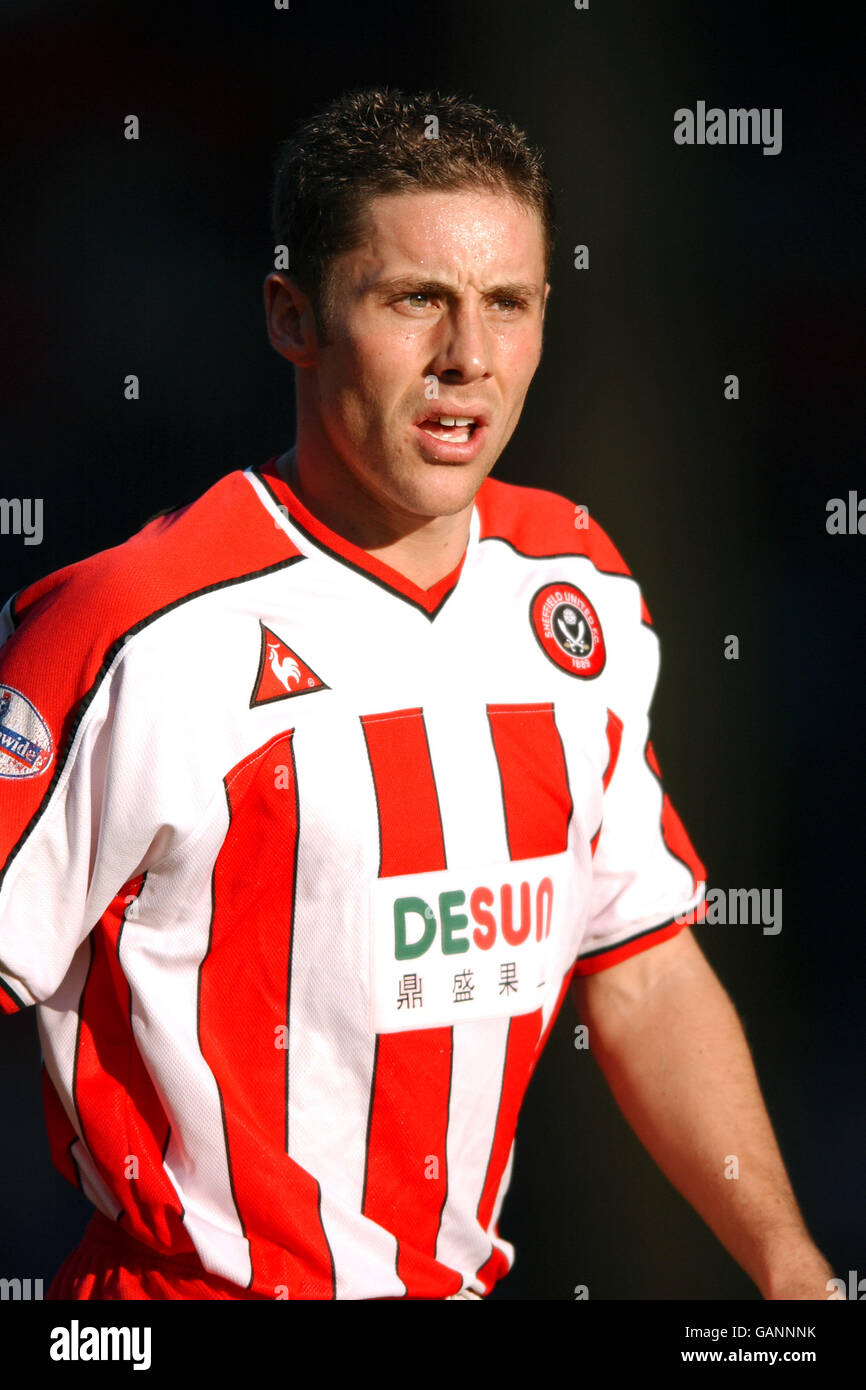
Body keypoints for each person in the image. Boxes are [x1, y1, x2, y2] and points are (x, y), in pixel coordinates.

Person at [0, 87, 835, 1301]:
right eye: (415, 301)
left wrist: (788, 1268)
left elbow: (641, 961)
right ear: (293, 317)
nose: (468, 357)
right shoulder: (131, 628)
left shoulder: (578, 588)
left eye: (508, 303)